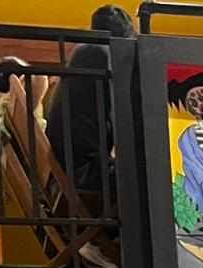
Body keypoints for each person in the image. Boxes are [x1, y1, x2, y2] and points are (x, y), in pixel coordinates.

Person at [43, 6, 133, 198]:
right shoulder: (101, 57)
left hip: (68, 169)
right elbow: (121, 124)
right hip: (86, 173)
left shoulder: (83, 52)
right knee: (154, 178)